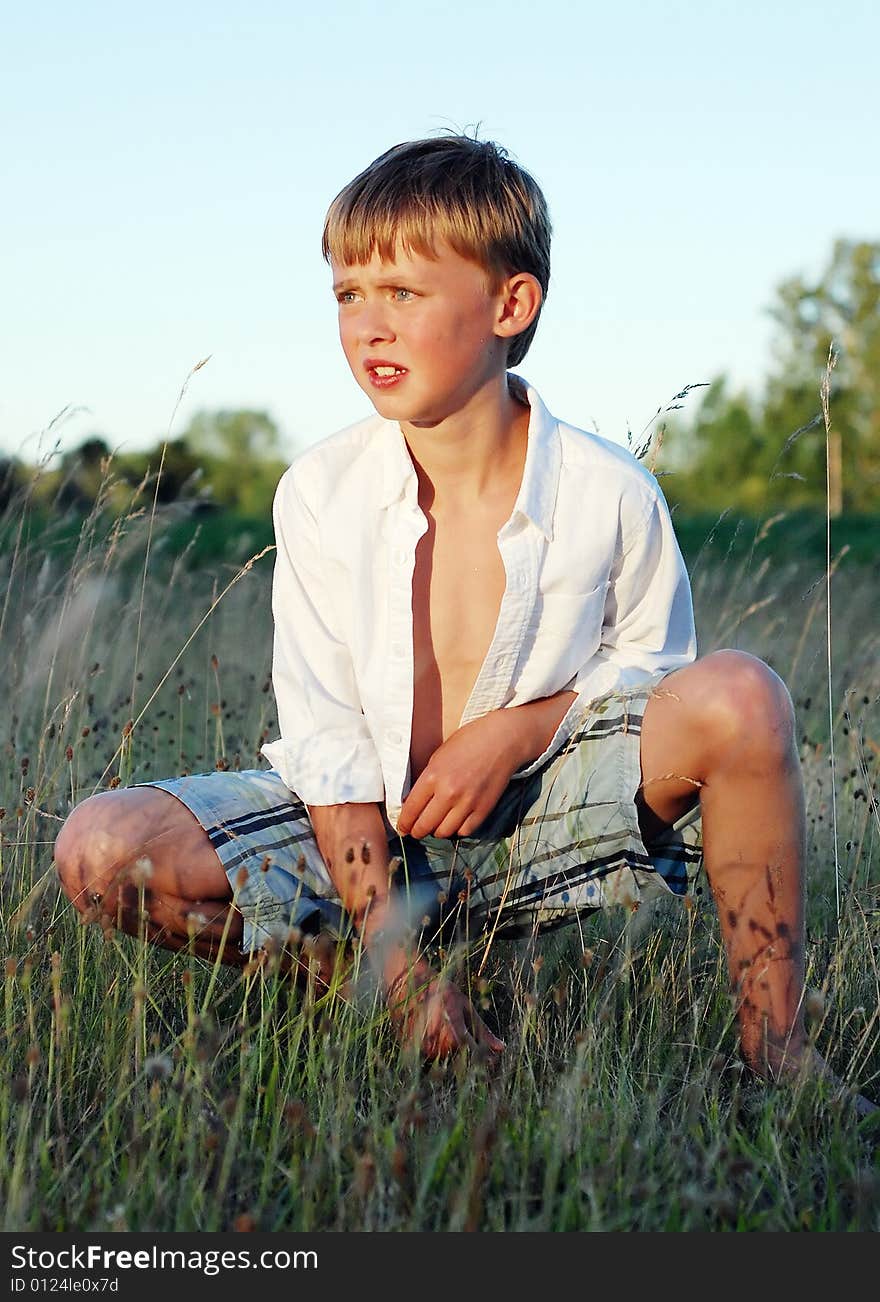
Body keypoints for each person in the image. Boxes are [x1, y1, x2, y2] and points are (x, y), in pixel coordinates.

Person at [53, 135, 862, 1096]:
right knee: (101, 847)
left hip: (541, 824)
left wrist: (515, 731)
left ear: (510, 305)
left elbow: (655, 677)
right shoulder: (320, 490)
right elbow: (327, 742)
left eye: (404, 293)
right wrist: (399, 972)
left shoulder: (608, 489)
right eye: (349, 295)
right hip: (367, 835)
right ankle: (382, 984)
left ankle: (780, 1056)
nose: (368, 327)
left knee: (743, 694)